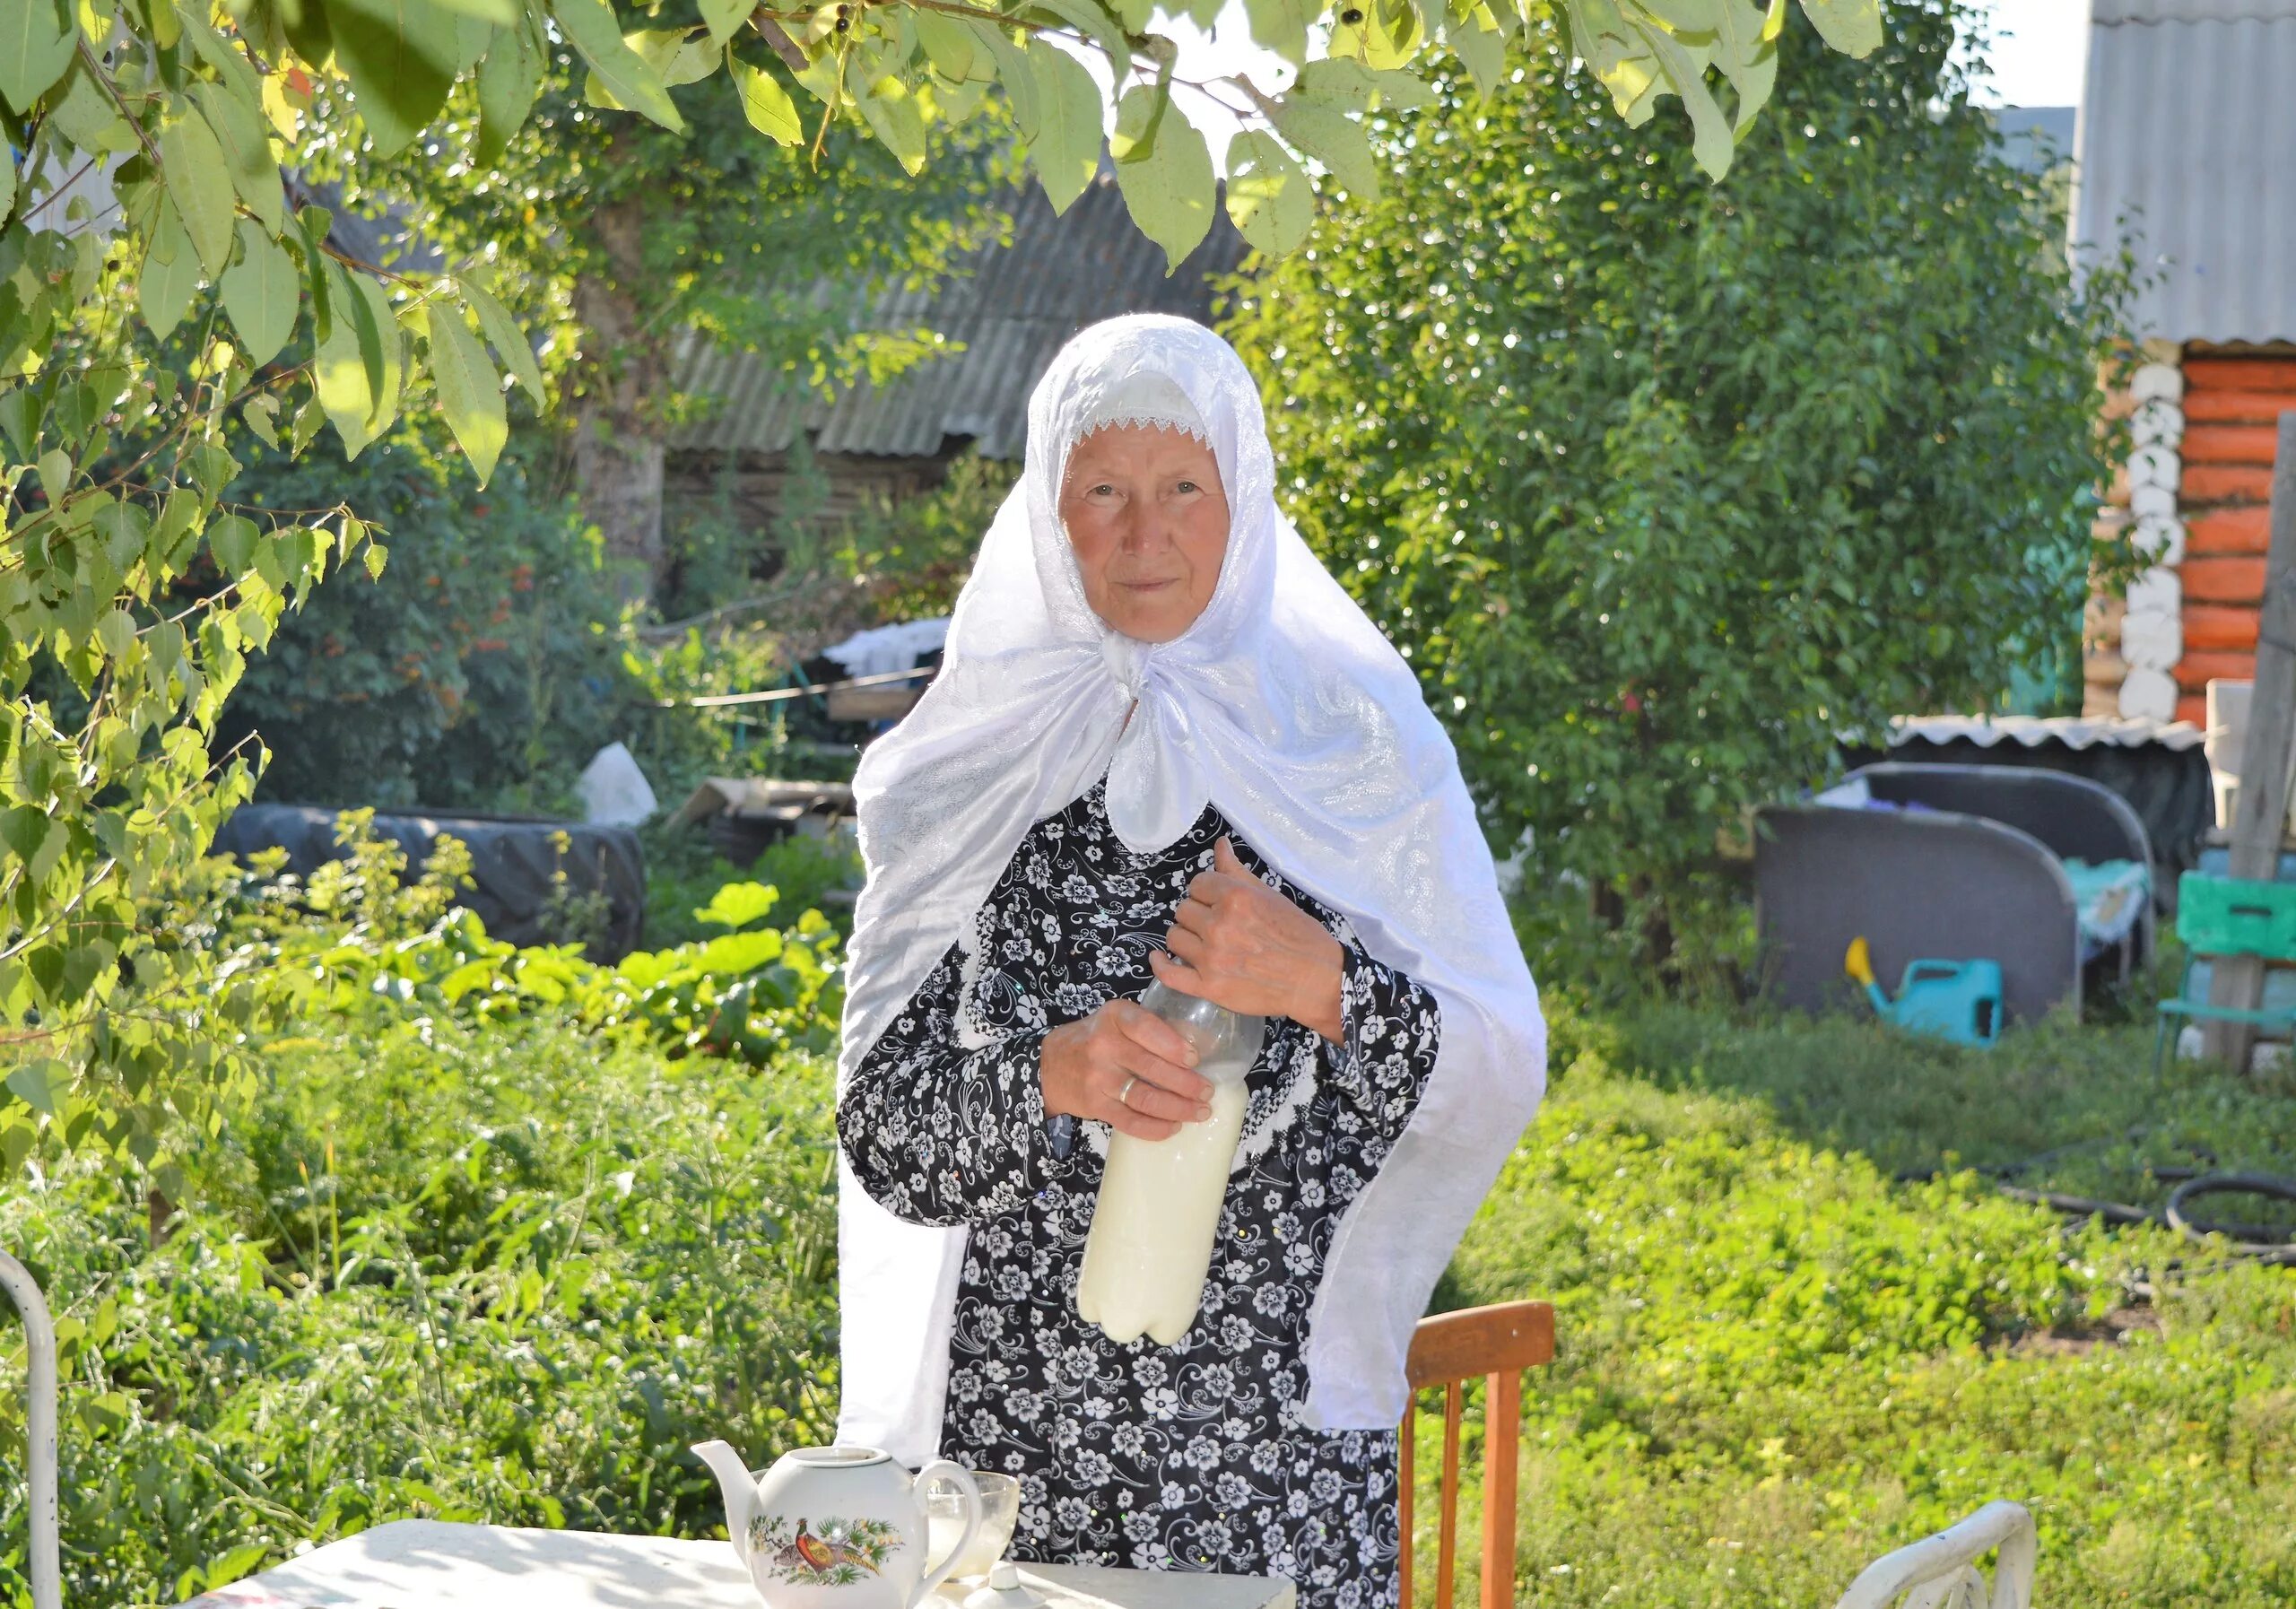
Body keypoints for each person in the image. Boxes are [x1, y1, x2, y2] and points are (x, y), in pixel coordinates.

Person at [835, 315, 1545, 1609]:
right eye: (1102, 490)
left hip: (1276, 1482)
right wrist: (1044, 1073)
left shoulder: (1352, 744)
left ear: (1244, 501)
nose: (1142, 534)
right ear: (1051, 513)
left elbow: (1500, 1062)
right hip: (1015, 1487)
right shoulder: (978, 764)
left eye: (1182, 491)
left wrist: (1327, 981)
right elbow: (883, 1135)